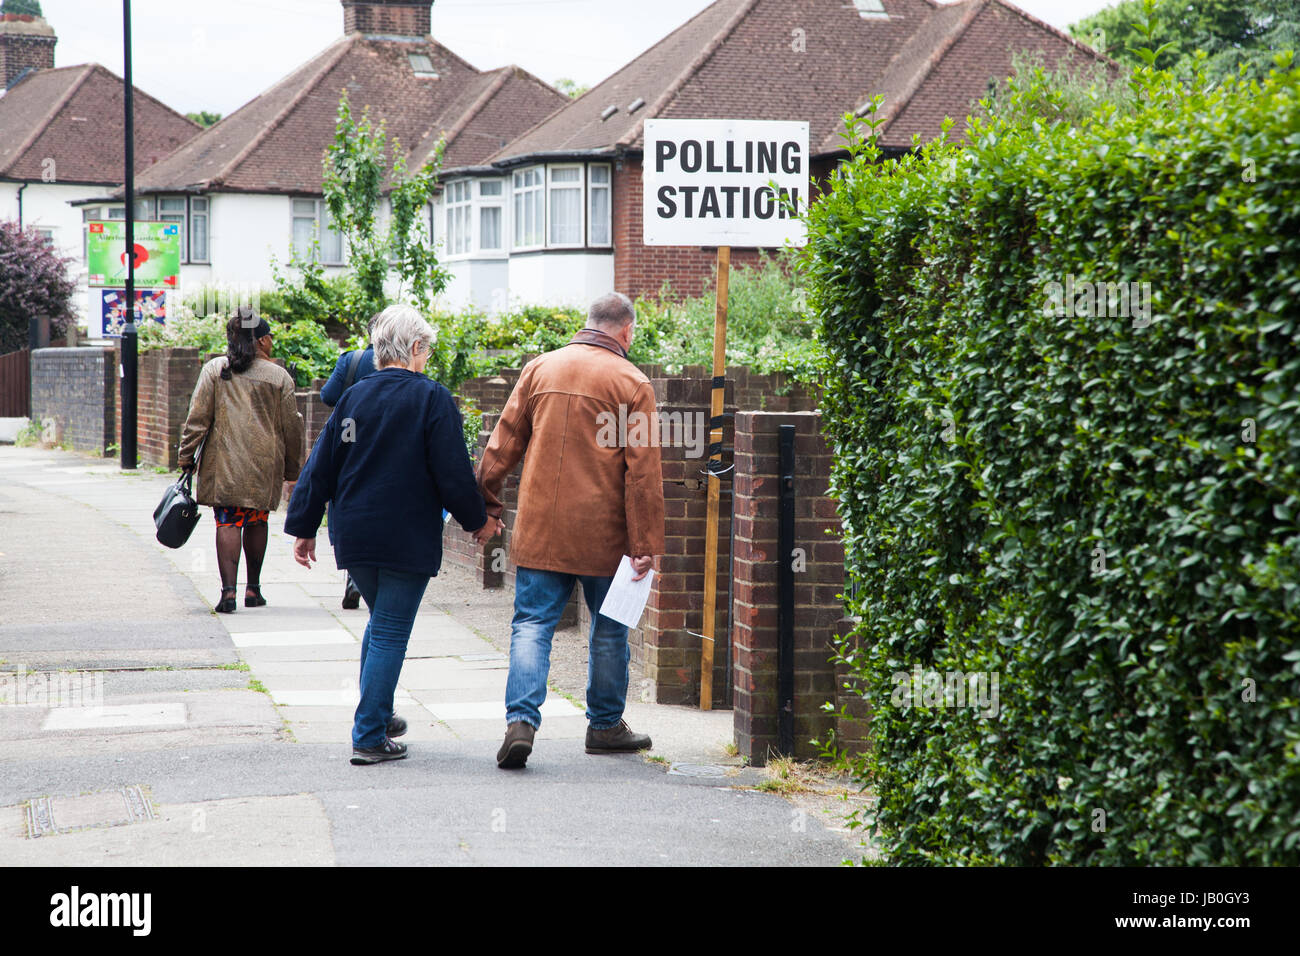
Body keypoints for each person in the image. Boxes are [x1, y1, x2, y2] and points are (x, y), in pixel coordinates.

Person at [284, 304, 492, 765]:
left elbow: (321, 466)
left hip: (354, 532)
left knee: (380, 626)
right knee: (391, 631)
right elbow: (453, 473)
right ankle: (370, 734)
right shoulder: (432, 398)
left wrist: (304, 526)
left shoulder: (354, 397)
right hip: (405, 535)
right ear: (416, 349)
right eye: (427, 351)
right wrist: (478, 522)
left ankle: (379, 714)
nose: (428, 359)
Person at [477, 291, 665, 770]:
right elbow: (642, 472)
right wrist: (644, 545)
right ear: (626, 331)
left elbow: (503, 443)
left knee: (532, 624)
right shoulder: (633, 383)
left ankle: (521, 722)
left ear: (589, 323)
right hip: (605, 537)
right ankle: (604, 726)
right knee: (609, 629)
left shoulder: (541, 368)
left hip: (541, 530)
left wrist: (487, 501)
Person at [178, 307, 304, 613]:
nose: (272, 342)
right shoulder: (278, 377)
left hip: (224, 464)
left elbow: (197, 419)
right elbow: (292, 427)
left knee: (228, 521)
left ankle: (228, 592)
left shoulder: (216, 370)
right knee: (257, 520)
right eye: (270, 337)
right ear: (260, 341)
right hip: (263, 464)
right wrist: (291, 469)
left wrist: (186, 456)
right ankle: (254, 589)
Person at [318, 317, 379, 610]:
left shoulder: (352, 360)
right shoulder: (408, 366)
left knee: (345, 502)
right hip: (384, 446)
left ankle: (355, 573)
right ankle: (371, 574)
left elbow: (328, 396)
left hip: (349, 442)